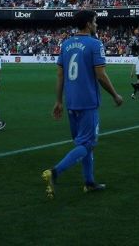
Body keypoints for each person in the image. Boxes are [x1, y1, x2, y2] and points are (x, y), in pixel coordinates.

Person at [42, 10, 124, 199]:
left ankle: (89, 182)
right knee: (87, 144)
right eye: (95, 22)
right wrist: (115, 95)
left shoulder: (66, 44)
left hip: (72, 102)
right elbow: (101, 74)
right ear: (88, 24)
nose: (96, 25)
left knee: (84, 144)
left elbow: (60, 75)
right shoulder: (95, 44)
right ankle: (55, 172)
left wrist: (58, 101)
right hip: (88, 101)